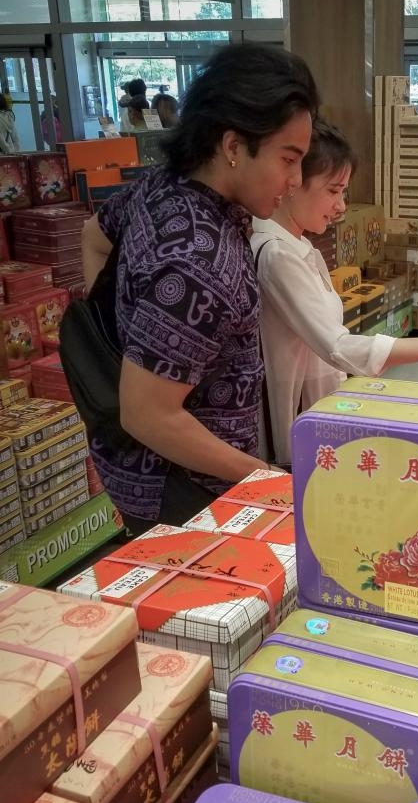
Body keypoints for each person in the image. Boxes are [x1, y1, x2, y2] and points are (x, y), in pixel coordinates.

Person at [79, 42, 318, 536]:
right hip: (183, 493)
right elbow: (147, 414)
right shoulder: (198, 261)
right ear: (233, 147)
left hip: (147, 468)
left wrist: (120, 343)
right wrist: (263, 477)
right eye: (288, 159)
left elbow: (92, 239)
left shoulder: (162, 186)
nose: (295, 181)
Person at [250, 119, 418, 466]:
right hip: (295, 425)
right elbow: (337, 346)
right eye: (333, 190)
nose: (341, 206)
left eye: (343, 192)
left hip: (315, 409)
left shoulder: (296, 245)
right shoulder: (277, 254)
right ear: (293, 183)